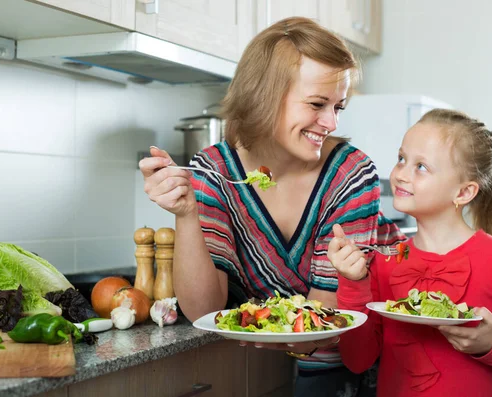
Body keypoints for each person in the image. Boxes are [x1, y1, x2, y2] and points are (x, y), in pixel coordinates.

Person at [139, 16, 404, 396]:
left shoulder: (350, 172)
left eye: (339, 107)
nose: (330, 121)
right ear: (264, 94)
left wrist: (283, 335)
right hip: (253, 364)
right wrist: (187, 214)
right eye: (317, 104)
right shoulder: (214, 171)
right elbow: (203, 309)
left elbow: (325, 319)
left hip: (346, 368)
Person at [328, 108, 492, 397]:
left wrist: (491, 345)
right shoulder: (385, 260)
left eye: (421, 166)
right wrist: (352, 282)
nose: (400, 174)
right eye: (401, 159)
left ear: (463, 193)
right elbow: (358, 361)